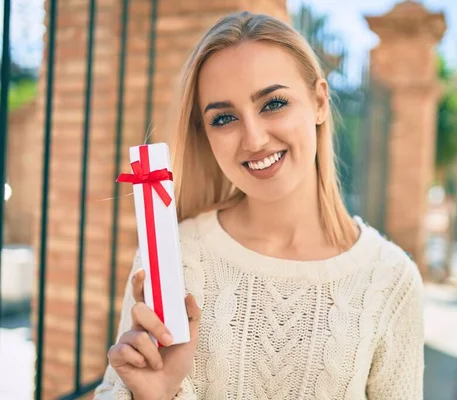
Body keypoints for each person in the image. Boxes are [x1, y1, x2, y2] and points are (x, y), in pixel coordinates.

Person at [95, 11, 424, 400]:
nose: (253, 139)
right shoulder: (173, 257)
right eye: (224, 118)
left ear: (319, 102)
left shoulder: (390, 278)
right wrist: (155, 396)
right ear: (206, 135)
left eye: (273, 104)